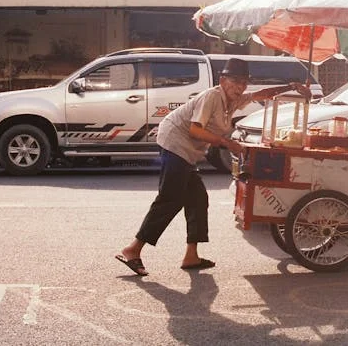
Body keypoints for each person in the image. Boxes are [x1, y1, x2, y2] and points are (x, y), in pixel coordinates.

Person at [116, 57, 311, 275]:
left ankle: (191, 255)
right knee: (170, 199)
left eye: (244, 82)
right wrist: (226, 142)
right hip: (174, 143)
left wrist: (291, 86)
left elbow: (260, 95)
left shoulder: (232, 101)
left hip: (188, 153)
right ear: (222, 80)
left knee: (198, 199)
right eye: (235, 81)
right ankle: (132, 249)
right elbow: (195, 130)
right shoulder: (212, 96)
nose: (240, 87)